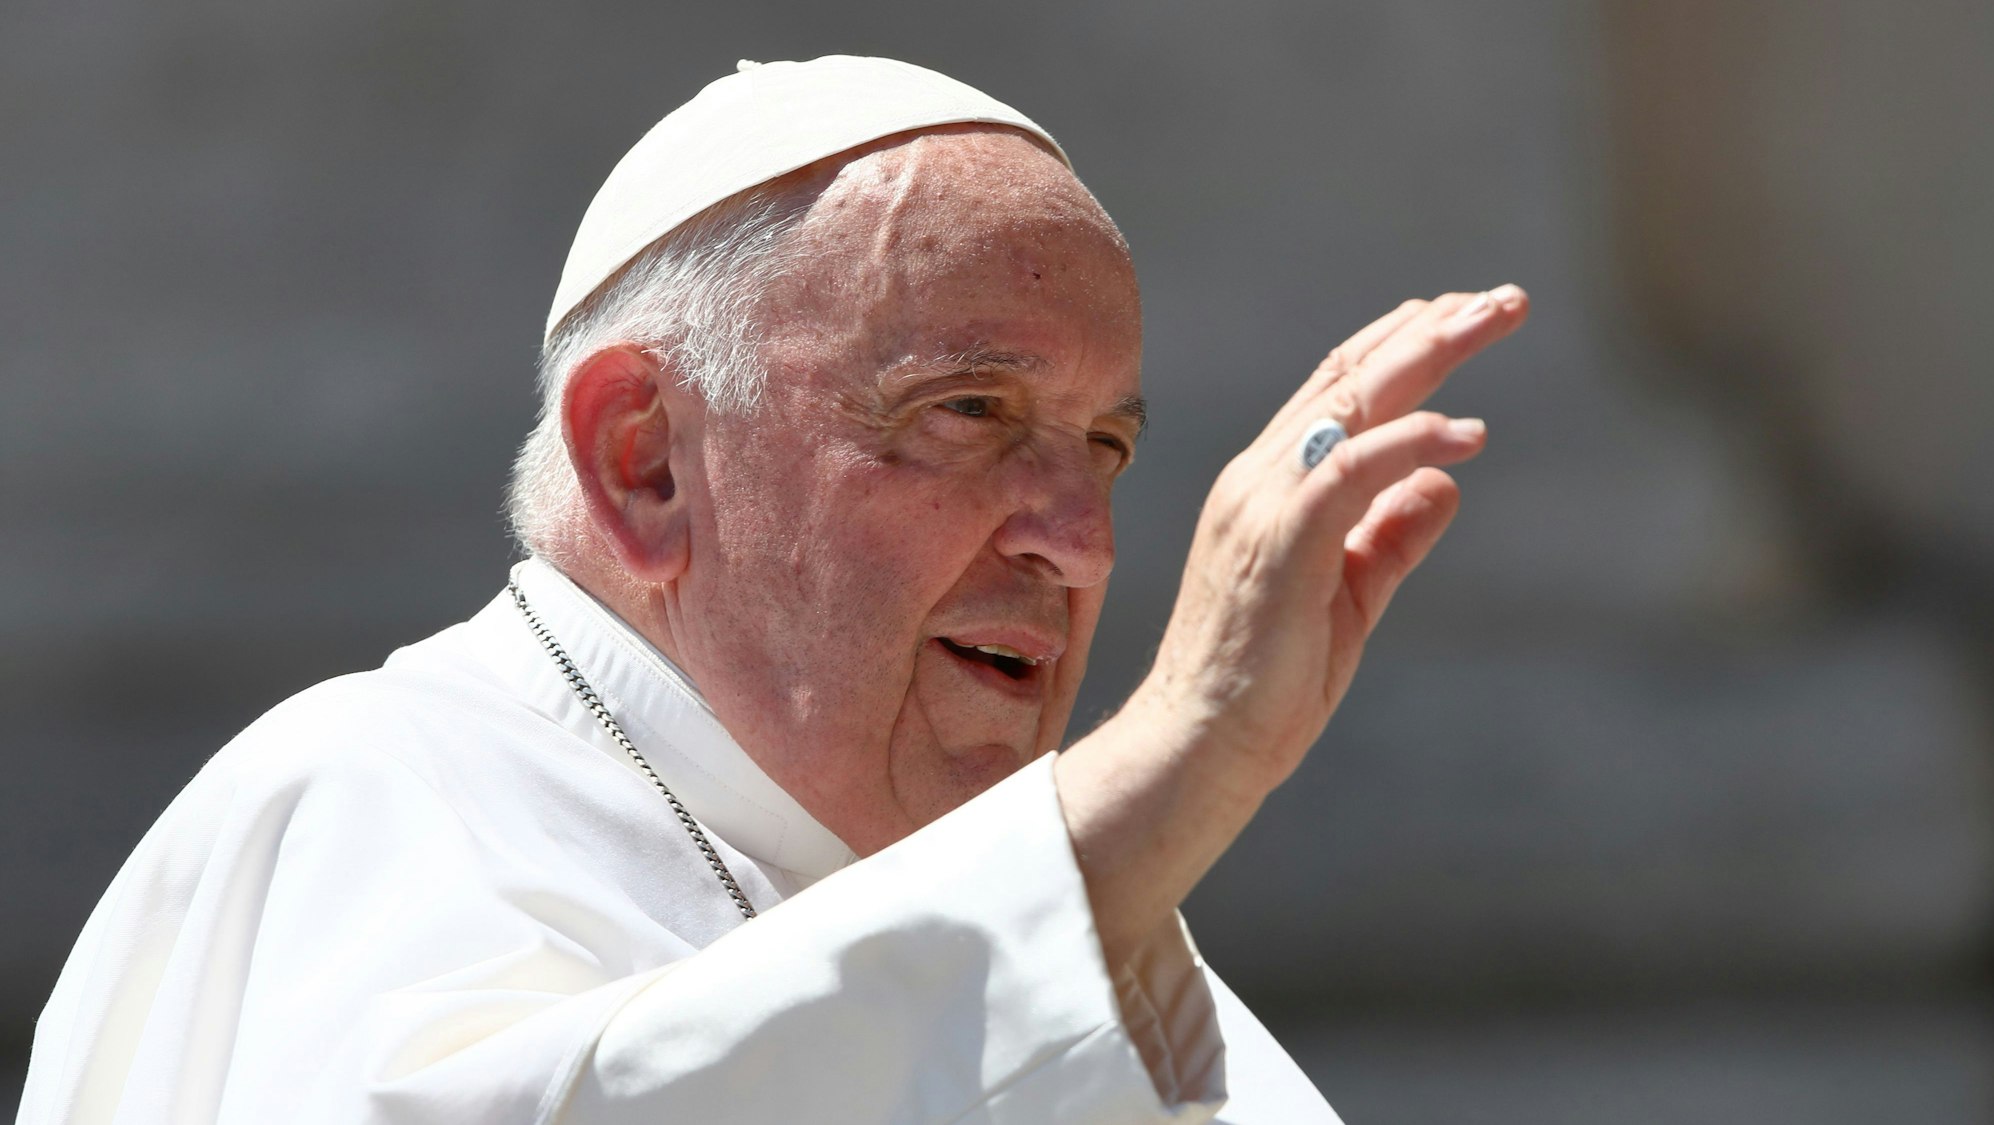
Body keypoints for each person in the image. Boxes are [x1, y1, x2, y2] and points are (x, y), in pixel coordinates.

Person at [18, 56, 1526, 1123]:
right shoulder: (357, 798)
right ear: (646, 461)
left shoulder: (1113, 948)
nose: (1081, 538)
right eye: (970, 412)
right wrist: (1184, 748)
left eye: (1111, 448)